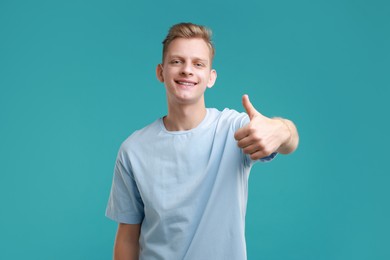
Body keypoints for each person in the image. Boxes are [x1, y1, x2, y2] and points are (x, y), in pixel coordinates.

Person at [106, 22, 299, 260]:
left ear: (210, 77)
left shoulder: (233, 129)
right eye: (177, 61)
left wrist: (281, 130)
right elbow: (127, 235)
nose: (187, 70)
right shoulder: (132, 150)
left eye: (198, 64)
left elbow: (289, 139)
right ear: (160, 72)